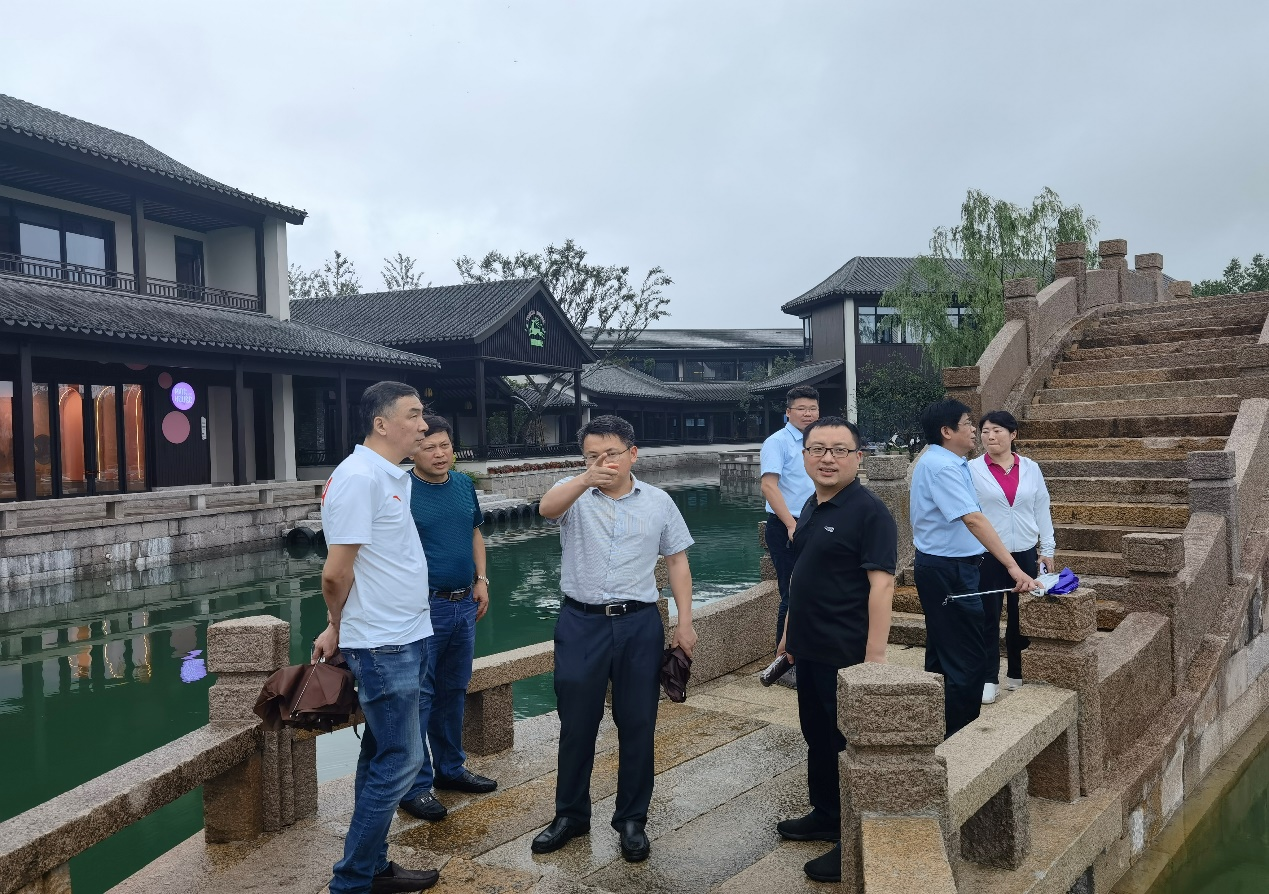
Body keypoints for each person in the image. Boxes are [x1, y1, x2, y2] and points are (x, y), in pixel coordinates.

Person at [531, 415, 697, 863]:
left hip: (639, 623)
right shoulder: (573, 494)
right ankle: (570, 815)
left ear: (632, 454)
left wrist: (684, 622)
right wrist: (585, 479)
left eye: (611, 454)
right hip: (580, 622)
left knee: (638, 721)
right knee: (576, 722)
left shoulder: (659, 501)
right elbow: (546, 509)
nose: (603, 462)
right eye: (592, 455)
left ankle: (631, 820)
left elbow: (677, 562)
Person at [313, 382, 440, 894]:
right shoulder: (359, 478)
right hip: (384, 644)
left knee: (381, 756)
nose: (423, 425)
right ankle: (351, 882)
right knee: (403, 760)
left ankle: (373, 867)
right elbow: (334, 573)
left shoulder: (388, 475)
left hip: (406, 634)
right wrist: (337, 624)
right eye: (413, 415)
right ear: (381, 424)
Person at [775, 417, 896, 884]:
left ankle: (855, 837)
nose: (828, 458)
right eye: (818, 449)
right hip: (809, 648)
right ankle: (826, 813)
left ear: (858, 458)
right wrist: (789, 631)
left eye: (839, 450)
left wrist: (875, 659)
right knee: (818, 737)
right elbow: (803, 572)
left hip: (846, 651)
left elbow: (881, 585)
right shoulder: (813, 503)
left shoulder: (870, 512)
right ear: (805, 456)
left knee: (847, 745)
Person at [909, 399, 1042, 739]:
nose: (974, 430)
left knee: (943, 652)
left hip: (948, 566)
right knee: (966, 658)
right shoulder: (943, 467)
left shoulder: (949, 462)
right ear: (946, 431)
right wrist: (1012, 567)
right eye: (968, 423)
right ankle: (960, 739)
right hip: (949, 570)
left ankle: (937, 729)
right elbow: (973, 519)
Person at [397, 416, 497, 824]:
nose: (439, 454)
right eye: (429, 447)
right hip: (423, 606)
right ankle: (414, 786)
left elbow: (474, 533)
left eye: (445, 446)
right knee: (421, 695)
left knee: (454, 689)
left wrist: (481, 579)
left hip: (463, 603)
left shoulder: (462, 484)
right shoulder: (401, 490)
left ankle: (451, 769)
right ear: (413, 452)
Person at [969, 410, 1055, 704]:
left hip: (1026, 551)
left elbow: (1042, 508)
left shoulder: (1030, 468)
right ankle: (988, 678)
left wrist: (1047, 549)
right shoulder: (972, 469)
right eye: (985, 431)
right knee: (988, 617)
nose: (990, 436)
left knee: (1022, 616)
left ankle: (1017, 673)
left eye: (997, 430)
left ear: (1013, 434)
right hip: (988, 554)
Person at [760, 385, 821, 676]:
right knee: (792, 593)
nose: (808, 414)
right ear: (788, 412)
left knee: (814, 591)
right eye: (801, 409)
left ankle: (809, 654)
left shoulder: (819, 441)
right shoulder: (778, 442)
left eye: (813, 408)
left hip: (817, 521)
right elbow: (768, 486)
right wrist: (791, 525)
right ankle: (783, 664)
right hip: (789, 525)